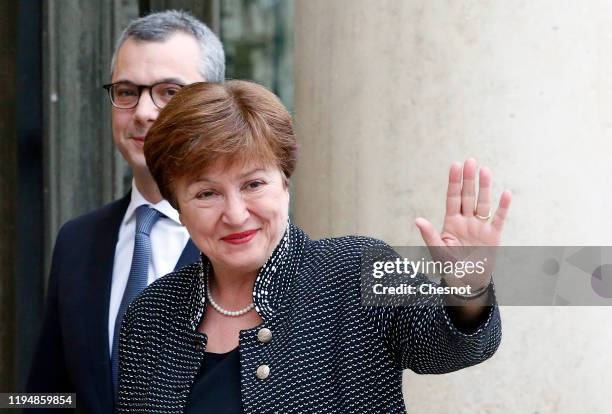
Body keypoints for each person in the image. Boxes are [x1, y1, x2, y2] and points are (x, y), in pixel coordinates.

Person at [116, 80, 512, 413]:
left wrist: (467, 289)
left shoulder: (359, 267)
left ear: (285, 183)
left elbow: (450, 348)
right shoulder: (150, 314)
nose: (236, 214)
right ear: (178, 207)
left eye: (254, 184)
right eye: (206, 193)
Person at [26, 10, 225, 414]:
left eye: (169, 92)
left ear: (213, 102)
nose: (144, 112)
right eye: (126, 90)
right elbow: (48, 395)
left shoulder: (248, 238)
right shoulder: (77, 242)